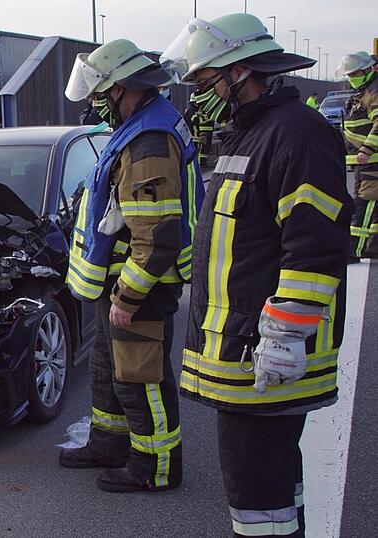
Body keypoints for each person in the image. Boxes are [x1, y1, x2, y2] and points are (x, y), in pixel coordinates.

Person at [161, 13, 350, 537]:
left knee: (257, 496)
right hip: (245, 349)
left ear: (241, 71)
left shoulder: (296, 135)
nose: (200, 92)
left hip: (265, 355)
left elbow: (315, 246)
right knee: (273, 487)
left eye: (205, 80)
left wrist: (286, 334)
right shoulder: (252, 133)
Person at [60, 39, 204, 493]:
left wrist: (128, 297)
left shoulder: (149, 142)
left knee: (142, 378)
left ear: (122, 88)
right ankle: (109, 444)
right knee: (109, 372)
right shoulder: (139, 127)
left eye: (100, 93)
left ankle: (155, 466)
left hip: (140, 286)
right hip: (121, 282)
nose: (95, 103)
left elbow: (157, 235)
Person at [337, 51, 378, 260]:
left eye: (354, 74)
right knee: (372, 204)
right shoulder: (365, 90)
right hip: (365, 161)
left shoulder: (374, 92)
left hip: (371, 161)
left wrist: (366, 149)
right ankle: (373, 246)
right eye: (349, 75)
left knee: (365, 202)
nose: (351, 78)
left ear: (368, 70)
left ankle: (354, 250)